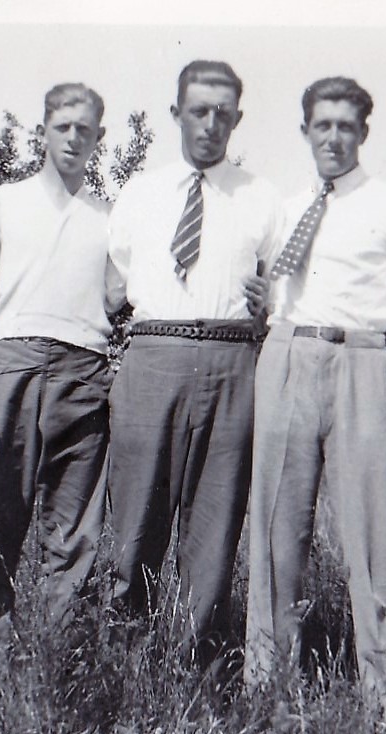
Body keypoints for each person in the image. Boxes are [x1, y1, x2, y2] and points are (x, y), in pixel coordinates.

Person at [243, 77, 386, 717]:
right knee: (275, 537)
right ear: (305, 130)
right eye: (322, 125)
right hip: (285, 357)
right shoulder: (283, 208)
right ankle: (269, 695)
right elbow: (264, 302)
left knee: (371, 543)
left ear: (363, 132)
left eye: (345, 126)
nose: (333, 137)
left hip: (360, 363)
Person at [105, 60, 283, 667]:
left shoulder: (263, 198)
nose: (211, 123)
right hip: (152, 357)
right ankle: (125, 665)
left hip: (234, 364)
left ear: (238, 118)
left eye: (223, 113)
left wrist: (272, 304)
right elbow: (109, 288)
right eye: (199, 111)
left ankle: (194, 673)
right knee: (135, 526)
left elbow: (284, 293)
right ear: (176, 113)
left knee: (213, 535)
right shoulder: (139, 193)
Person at [0, 83, 114, 664]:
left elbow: (126, 295)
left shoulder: (110, 218)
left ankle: (53, 671)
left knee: (75, 538)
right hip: (11, 366)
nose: (73, 138)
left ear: (99, 138)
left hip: (84, 374)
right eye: (62, 127)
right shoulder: (5, 201)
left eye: (84, 129)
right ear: (42, 132)